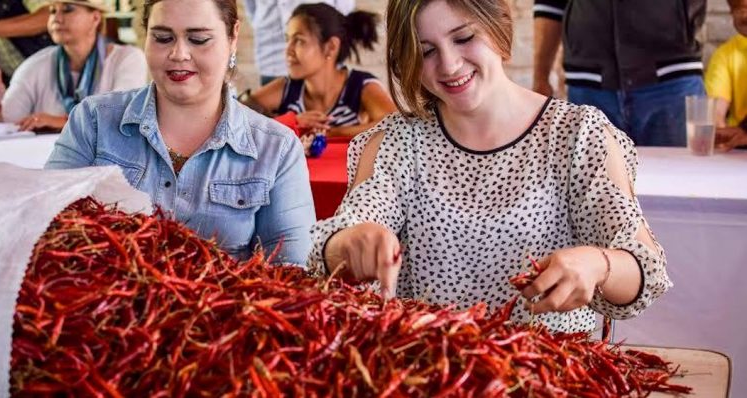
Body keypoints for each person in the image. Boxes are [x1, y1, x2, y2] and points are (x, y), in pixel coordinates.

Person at [309, 0, 671, 333]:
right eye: (426, 51)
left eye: (464, 38)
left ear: (498, 27)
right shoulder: (393, 142)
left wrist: (599, 265)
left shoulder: (578, 135)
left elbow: (645, 269)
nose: (449, 65)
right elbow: (332, 243)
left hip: (548, 375)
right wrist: (348, 245)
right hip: (429, 372)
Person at [45, 0, 316, 265]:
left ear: (232, 36)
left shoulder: (276, 148)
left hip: (227, 308)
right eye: (162, 38)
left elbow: (292, 270)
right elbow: (45, 232)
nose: (178, 54)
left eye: (198, 39)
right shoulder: (93, 121)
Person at [532, 0, 707, 147]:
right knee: (593, 184)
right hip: (589, 84)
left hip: (672, 80)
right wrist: (541, 77)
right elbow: (550, 5)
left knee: (678, 182)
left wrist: (736, 9)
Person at [0, 0, 147, 132]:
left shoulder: (128, 59)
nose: (56, 18)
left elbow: (121, 120)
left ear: (95, 18)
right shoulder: (36, 64)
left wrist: (58, 122)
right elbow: (6, 127)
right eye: (52, 11)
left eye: (67, 9)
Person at [243, 3, 396, 139]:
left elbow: (394, 124)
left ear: (331, 47)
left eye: (299, 41)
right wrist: (292, 122)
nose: (287, 50)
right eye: (287, 39)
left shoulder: (359, 85)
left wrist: (332, 132)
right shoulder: (289, 87)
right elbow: (237, 116)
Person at [243, 0, 354, 85]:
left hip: (317, 62)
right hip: (271, 57)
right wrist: (260, 23)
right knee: (273, 113)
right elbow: (250, 6)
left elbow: (343, 10)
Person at [705, 0, 747, 151]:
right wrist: (719, 133)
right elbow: (716, 108)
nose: (745, 15)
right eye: (739, 9)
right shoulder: (725, 54)